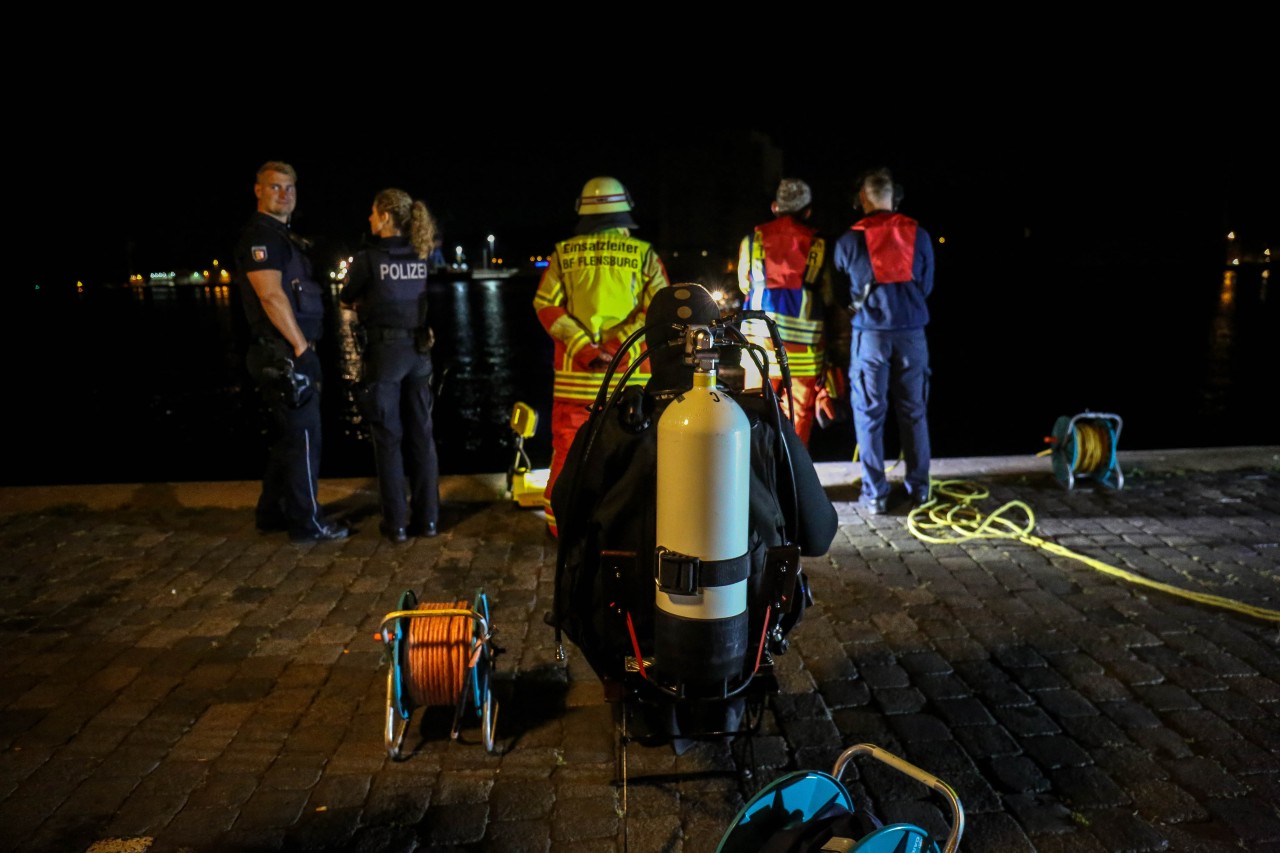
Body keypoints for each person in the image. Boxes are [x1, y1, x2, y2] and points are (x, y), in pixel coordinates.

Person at [547, 282, 838, 745]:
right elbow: (820, 535)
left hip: (627, 632)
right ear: (717, 340)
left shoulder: (611, 424)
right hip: (746, 628)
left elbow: (565, 517)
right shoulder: (757, 421)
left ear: (646, 347)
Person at [532, 176, 671, 538]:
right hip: (630, 379)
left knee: (566, 451)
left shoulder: (564, 253)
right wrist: (620, 343)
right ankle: (625, 526)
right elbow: (660, 308)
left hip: (575, 379)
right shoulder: (644, 255)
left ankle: (560, 527)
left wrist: (583, 347)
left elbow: (545, 304)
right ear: (624, 210)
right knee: (633, 451)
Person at [234, 160, 349, 543]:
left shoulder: (281, 237)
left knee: (289, 437)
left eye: (290, 188)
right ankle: (307, 522)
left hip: (285, 352)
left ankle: (271, 511)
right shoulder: (262, 237)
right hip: (284, 354)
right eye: (275, 187)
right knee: (304, 438)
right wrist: (301, 348)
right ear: (258, 190)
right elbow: (270, 295)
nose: (284, 194)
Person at [339, 188, 441, 543]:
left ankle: (395, 524)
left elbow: (346, 295)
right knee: (423, 437)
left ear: (384, 216)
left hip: (385, 354)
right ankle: (429, 520)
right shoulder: (420, 253)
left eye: (372, 212)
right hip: (420, 351)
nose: (369, 219)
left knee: (388, 438)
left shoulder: (369, 257)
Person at [831, 167, 934, 514]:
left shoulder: (848, 240)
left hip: (870, 338)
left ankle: (875, 495)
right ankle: (920, 490)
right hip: (912, 336)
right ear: (896, 196)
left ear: (863, 198)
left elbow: (841, 292)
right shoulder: (919, 235)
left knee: (869, 415)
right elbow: (927, 285)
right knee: (914, 413)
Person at [737, 178, 842, 449]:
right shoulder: (819, 244)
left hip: (758, 347)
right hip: (803, 354)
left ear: (775, 207)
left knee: (757, 414)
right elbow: (829, 295)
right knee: (798, 418)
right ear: (807, 211)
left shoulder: (752, 241)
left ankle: (760, 482)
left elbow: (743, 284)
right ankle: (794, 483)